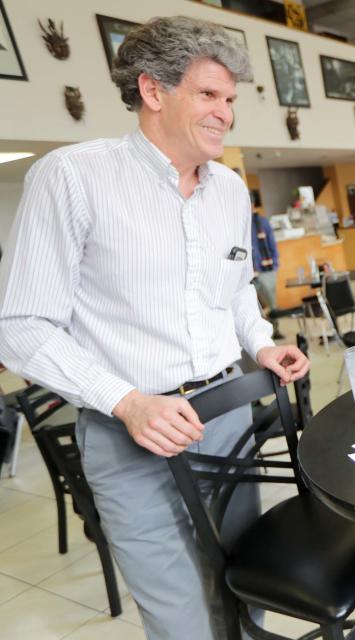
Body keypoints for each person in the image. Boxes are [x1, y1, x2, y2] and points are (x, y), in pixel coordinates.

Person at [0, 17, 309, 639]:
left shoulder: (228, 189)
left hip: (226, 417)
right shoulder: (72, 177)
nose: (225, 113)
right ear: (153, 91)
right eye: (209, 95)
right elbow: (22, 327)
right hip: (130, 432)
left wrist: (261, 343)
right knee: (182, 618)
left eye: (230, 99)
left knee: (245, 591)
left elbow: (235, 286)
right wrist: (129, 403)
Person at [251, 197, 283, 339]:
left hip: (266, 269)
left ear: (252, 204)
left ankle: (275, 330)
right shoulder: (238, 223)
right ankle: (259, 334)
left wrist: (274, 263)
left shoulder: (262, 222)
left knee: (272, 302)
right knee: (252, 305)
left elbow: (272, 243)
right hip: (248, 273)